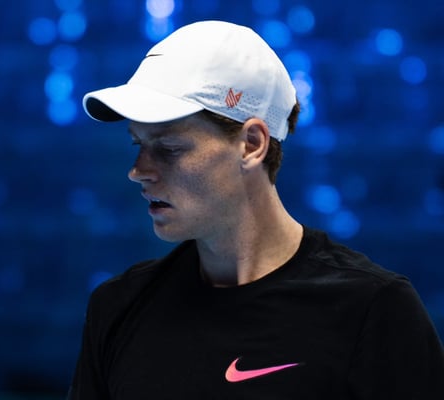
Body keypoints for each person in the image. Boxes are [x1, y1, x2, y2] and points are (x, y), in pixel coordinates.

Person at [68, 20, 444, 399]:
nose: (138, 171)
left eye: (169, 148)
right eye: (139, 145)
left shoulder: (373, 311)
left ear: (251, 144)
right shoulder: (117, 308)